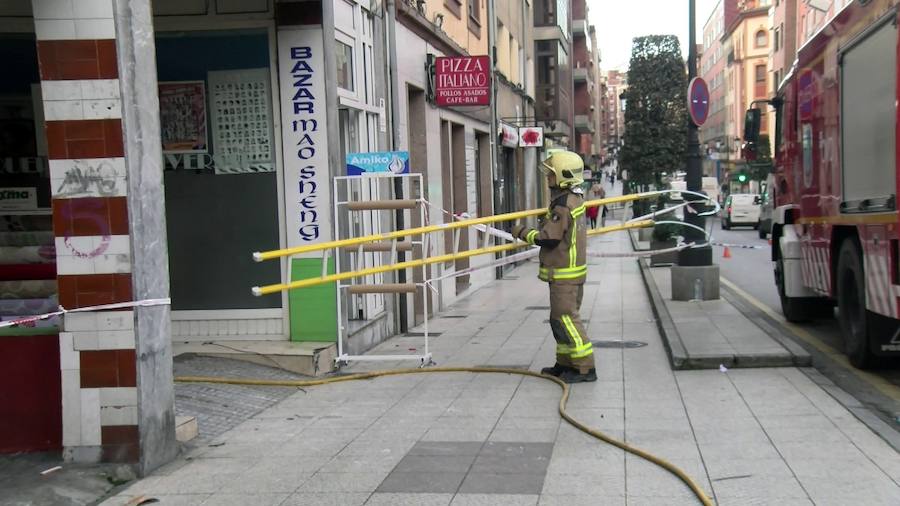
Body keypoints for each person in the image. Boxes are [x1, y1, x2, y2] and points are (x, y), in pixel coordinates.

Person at [512, 151, 596, 383]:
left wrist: (520, 232)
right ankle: (565, 363)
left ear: (563, 176)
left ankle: (584, 367)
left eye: (551, 174)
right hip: (569, 274)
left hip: (564, 275)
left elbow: (548, 238)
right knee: (558, 319)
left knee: (566, 319)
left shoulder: (562, 205)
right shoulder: (574, 198)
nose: (548, 178)